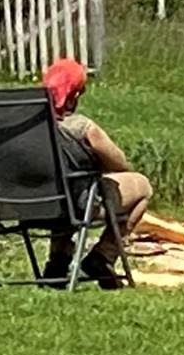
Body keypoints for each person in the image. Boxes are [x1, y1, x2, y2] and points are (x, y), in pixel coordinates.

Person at [41, 58, 151, 288]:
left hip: (23, 203)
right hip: (77, 205)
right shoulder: (81, 127)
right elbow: (119, 163)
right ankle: (103, 256)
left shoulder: (26, 126)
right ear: (76, 95)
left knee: (61, 186)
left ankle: (57, 263)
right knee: (141, 186)